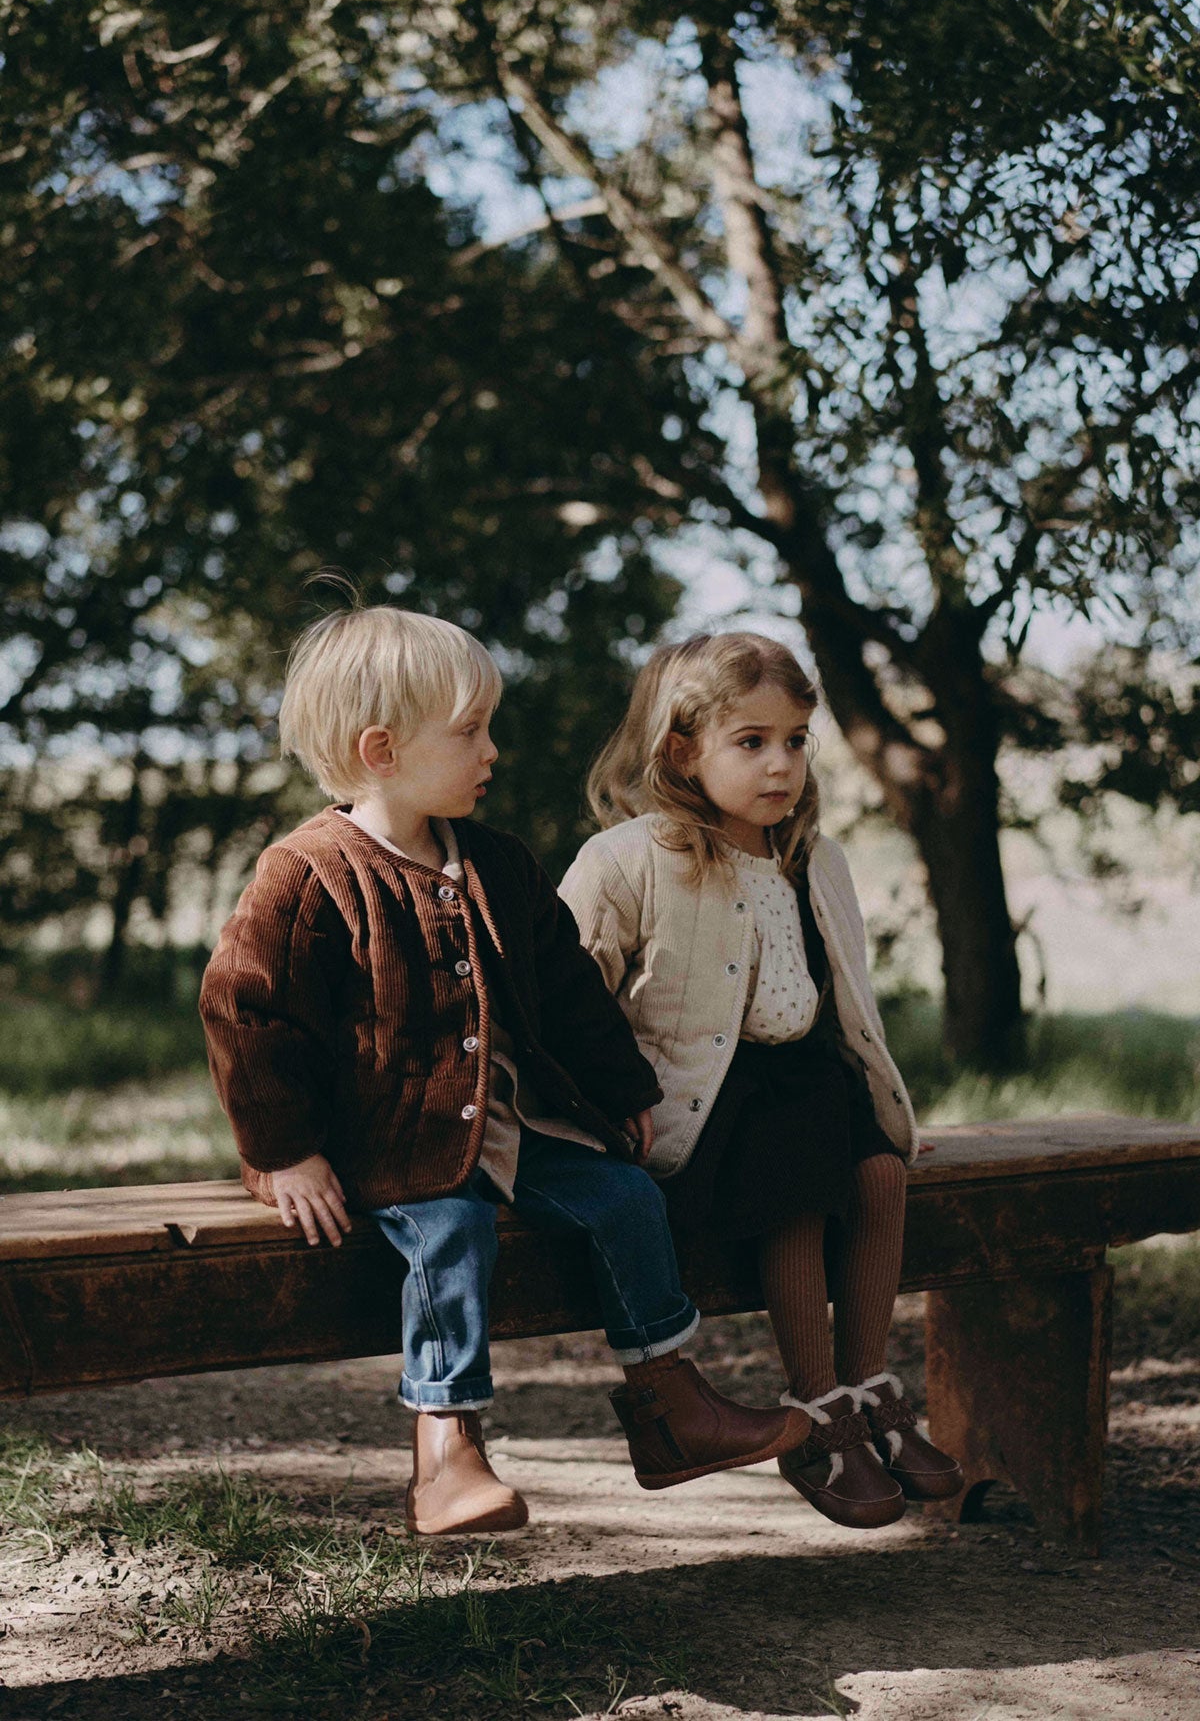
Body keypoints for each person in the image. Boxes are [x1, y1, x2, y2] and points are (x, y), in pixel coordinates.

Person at [200, 605, 809, 1538]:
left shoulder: (498, 862)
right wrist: (285, 1153)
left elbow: (569, 990)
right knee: (453, 1235)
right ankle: (445, 1448)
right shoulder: (307, 873)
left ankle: (670, 1402)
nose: (493, 750)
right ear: (382, 748)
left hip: (504, 1127)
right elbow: (246, 1011)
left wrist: (622, 1090)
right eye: (472, 730)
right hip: (381, 1142)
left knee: (623, 1199)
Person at [559, 631, 963, 1530]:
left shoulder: (815, 858)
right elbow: (562, 1004)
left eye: (795, 739)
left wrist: (888, 1110)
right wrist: (601, 1113)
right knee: (804, 1179)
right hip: (701, 1115)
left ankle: (868, 1395)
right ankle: (817, 1416)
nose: (780, 764)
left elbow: (847, 1003)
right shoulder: (628, 860)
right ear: (681, 749)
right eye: (751, 741)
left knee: (881, 1171)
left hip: (809, 1085)